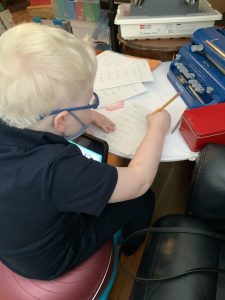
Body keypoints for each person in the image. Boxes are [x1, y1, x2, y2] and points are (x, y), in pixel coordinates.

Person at [0, 23, 171, 280]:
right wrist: (158, 127)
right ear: (62, 121)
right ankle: (132, 246)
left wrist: (83, 114)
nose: (92, 105)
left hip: (11, 245)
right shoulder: (59, 170)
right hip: (48, 261)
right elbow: (139, 180)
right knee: (141, 199)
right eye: (90, 100)